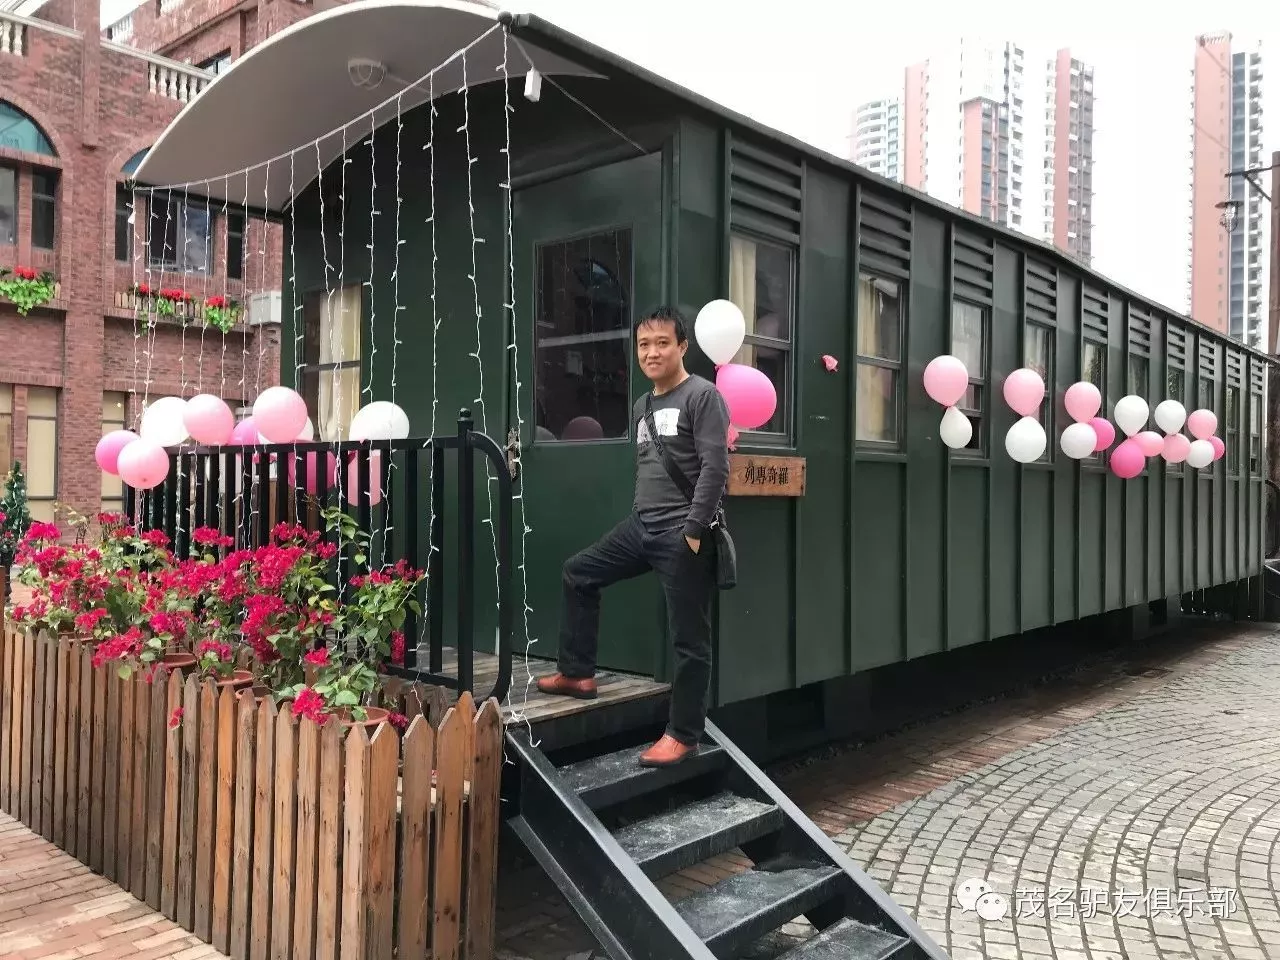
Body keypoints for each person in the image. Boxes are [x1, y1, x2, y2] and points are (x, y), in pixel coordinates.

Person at [536, 305, 730, 767]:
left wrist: (694, 531)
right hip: (641, 527)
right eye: (644, 344)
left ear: (682, 346)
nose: (652, 352)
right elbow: (646, 467)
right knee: (579, 573)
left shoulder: (703, 396)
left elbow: (715, 468)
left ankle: (683, 734)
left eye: (662, 343)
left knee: (689, 641)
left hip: (682, 534)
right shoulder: (642, 405)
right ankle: (578, 674)